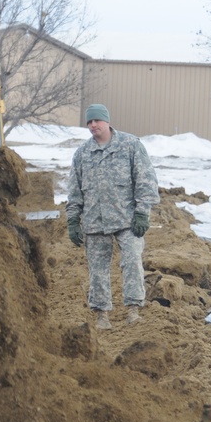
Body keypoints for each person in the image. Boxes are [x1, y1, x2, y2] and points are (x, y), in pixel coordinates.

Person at [66, 103, 160, 329]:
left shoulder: (130, 145)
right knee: (97, 271)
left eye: (96, 120)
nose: (93, 125)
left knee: (132, 263)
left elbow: (146, 180)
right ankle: (101, 315)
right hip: (94, 221)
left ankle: (133, 309)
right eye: (89, 122)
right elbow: (75, 190)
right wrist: (72, 220)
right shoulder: (82, 154)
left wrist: (142, 213)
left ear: (107, 121)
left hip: (127, 220)